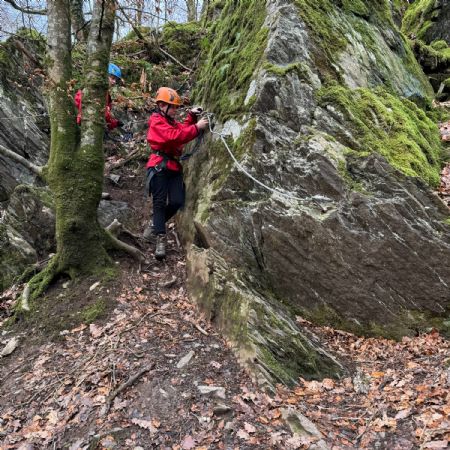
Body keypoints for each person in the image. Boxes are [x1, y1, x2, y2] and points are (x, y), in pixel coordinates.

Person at [144, 86, 209, 260]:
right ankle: (160, 238)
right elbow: (175, 136)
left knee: (177, 201)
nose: (175, 110)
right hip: (159, 166)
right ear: (161, 106)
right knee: (159, 202)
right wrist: (197, 127)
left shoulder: (171, 121)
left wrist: (192, 117)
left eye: (175, 107)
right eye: (172, 107)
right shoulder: (156, 121)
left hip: (173, 166)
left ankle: (155, 224)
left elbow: (181, 130)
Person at [74, 62, 124, 130]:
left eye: (116, 80)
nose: (114, 82)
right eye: (112, 78)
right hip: (86, 127)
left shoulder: (106, 94)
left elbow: (104, 117)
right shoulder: (91, 90)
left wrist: (115, 123)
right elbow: (83, 111)